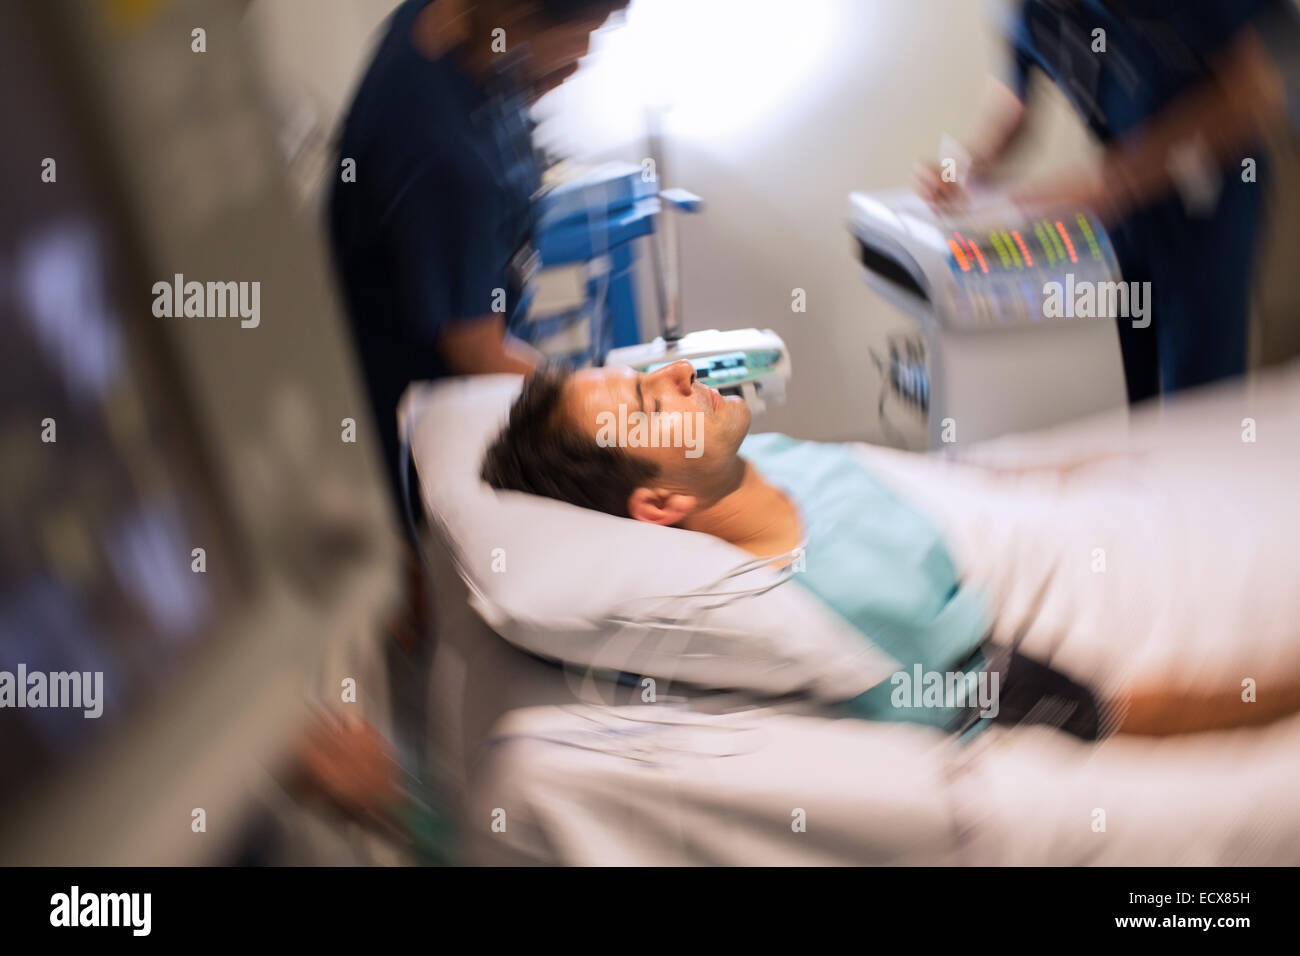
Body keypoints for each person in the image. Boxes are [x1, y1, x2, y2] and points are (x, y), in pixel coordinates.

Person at [481, 360, 1300, 738]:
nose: (679, 368)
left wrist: (1085, 476)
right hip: (1179, 582)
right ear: (659, 503)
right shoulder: (852, 611)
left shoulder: (766, 466)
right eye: (647, 402)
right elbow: (1088, 707)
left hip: (1112, 507)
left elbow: (956, 481)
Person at [915, 0, 1299, 403]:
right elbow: (1015, 100)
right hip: (1124, 213)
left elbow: (1254, 97)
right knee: (1133, 382)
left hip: (1208, 202)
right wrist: (959, 167)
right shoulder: (1033, 11)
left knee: (1198, 396)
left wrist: (1111, 183)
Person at [329, 0, 628, 514]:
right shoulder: (446, 160)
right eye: (587, 31)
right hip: (416, 404)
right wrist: (603, 411)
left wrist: (531, 76)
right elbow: (476, 353)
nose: (587, 53)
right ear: (526, 13)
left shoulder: (439, 20)